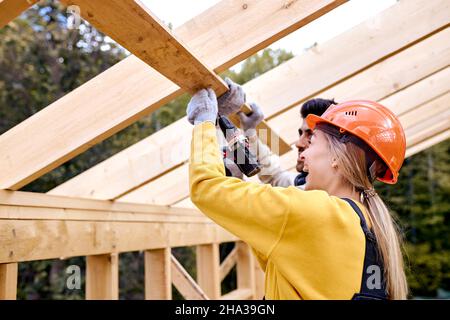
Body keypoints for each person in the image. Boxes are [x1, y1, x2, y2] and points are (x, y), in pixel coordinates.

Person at [187, 87, 408, 299]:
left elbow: (206, 186)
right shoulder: (368, 223)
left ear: (337, 157)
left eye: (311, 141)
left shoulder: (312, 211)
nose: (302, 152)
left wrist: (204, 122)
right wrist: (251, 135)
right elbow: (283, 258)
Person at [238, 98, 336, 188]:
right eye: (300, 133)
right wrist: (250, 133)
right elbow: (274, 177)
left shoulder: (319, 197)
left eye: (311, 136)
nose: (298, 143)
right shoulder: (302, 183)